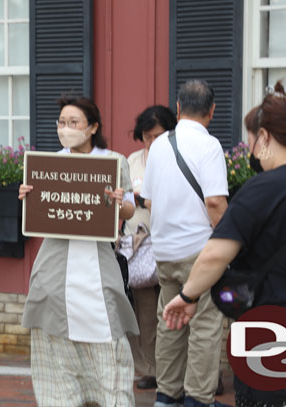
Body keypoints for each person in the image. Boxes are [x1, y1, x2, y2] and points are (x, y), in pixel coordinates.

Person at [163, 82, 286, 407]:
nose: (251, 150)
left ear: (264, 137)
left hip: (270, 321)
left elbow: (214, 255)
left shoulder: (262, 189)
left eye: (251, 141)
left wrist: (188, 295)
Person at [19, 96, 139, 406]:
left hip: (98, 266)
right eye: (61, 122)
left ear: (93, 127)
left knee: (109, 338)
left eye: (74, 122)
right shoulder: (49, 164)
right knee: (53, 336)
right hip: (55, 266)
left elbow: (128, 210)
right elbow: (40, 211)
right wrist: (28, 197)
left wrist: (117, 201)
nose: (66, 128)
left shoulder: (113, 161)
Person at [140, 79, 229, 407]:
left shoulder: (160, 144)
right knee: (204, 323)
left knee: (171, 320)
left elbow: (147, 201)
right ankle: (198, 399)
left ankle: (167, 395)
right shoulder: (209, 147)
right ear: (212, 111)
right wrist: (229, 243)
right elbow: (216, 203)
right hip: (199, 250)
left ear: (178, 109)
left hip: (164, 251)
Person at [126, 105, 177, 390]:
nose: (152, 142)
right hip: (139, 245)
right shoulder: (132, 161)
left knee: (174, 310)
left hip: (172, 243)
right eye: (147, 136)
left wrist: (143, 199)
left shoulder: (179, 160)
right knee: (145, 312)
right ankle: (150, 369)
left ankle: (181, 371)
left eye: (158, 136)